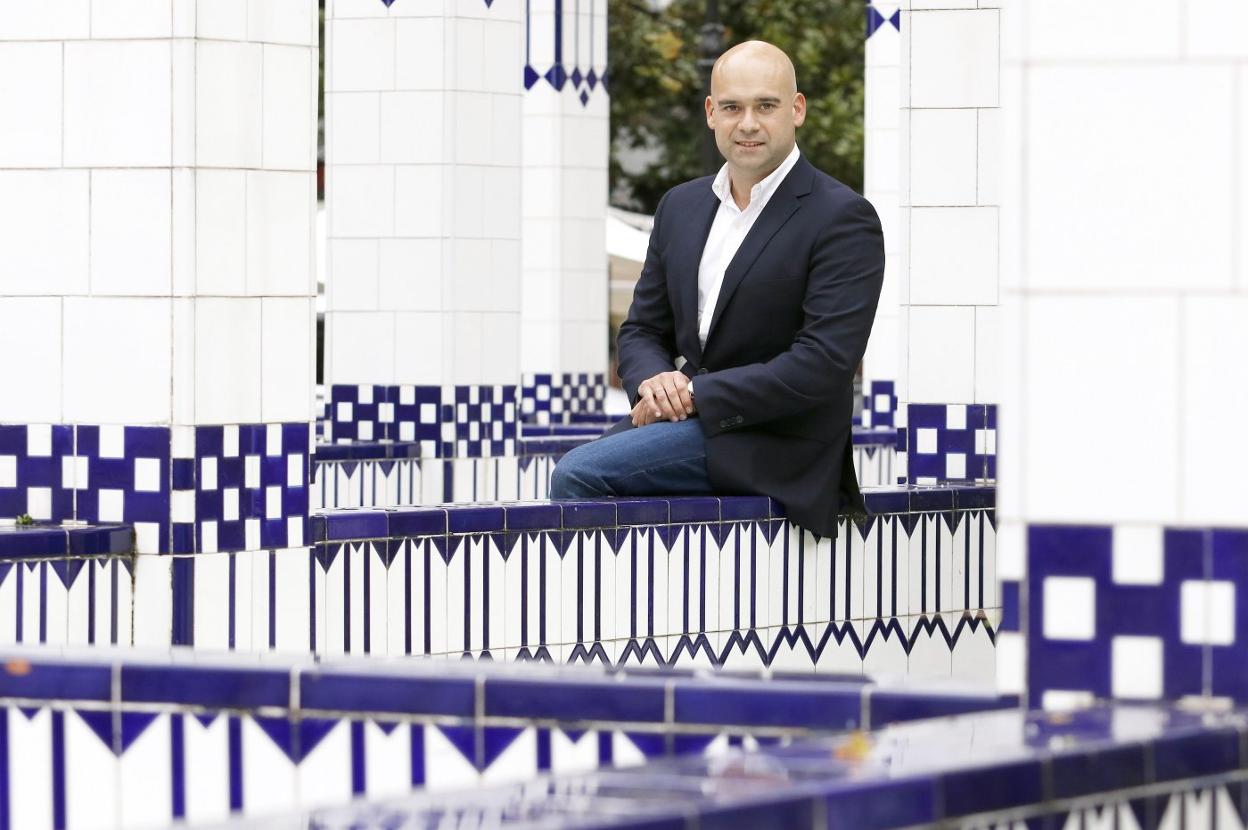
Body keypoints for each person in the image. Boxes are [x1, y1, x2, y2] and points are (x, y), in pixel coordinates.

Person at [550, 40, 884, 538]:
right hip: (691, 427)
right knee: (579, 473)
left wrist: (694, 393)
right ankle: (648, 615)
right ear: (711, 113)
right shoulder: (680, 207)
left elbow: (823, 363)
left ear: (797, 110)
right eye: (732, 107)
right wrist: (654, 382)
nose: (747, 122)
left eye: (765, 106)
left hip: (779, 443)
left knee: (578, 475)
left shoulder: (842, 217)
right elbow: (643, 328)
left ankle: (608, 617)